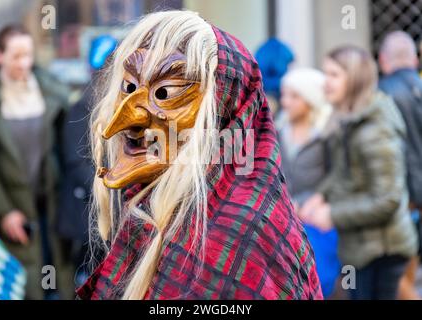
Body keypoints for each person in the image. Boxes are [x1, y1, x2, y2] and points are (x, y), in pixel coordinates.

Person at [76, 10, 322, 300]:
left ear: (221, 110)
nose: (124, 120)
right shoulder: (155, 205)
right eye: (129, 87)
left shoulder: (239, 234)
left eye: (165, 92)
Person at [300, 45, 418, 300]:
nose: (325, 83)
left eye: (334, 75)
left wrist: (333, 214)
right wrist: (321, 196)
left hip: (381, 249)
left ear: (354, 78)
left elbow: (388, 199)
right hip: (361, 245)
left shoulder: (374, 129)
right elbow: (344, 174)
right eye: (325, 73)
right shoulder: (349, 119)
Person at [0, 25, 72, 299]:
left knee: (54, 274)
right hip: (13, 207)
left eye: (28, 55)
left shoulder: (50, 93)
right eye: (16, 56)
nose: (24, 63)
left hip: (50, 203)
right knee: (23, 282)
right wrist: (3, 210)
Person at [57, 34, 118, 288]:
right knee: (90, 276)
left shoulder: (120, 103)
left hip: (110, 209)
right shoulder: (82, 107)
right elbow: (76, 161)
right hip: (89, 213)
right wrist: (110, 188)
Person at [278, 68, 340, 298]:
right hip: (286, 220)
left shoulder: (327, 134)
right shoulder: (278, 131)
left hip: (317, 221)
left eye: (294, 96)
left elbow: (339, 175)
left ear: (310, 98)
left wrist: (316, 200)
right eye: (284, 95)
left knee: (320, 280)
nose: (286, 102)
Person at [378, 31, 422, 300]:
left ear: (383, 60)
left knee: (398, 279)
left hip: (401, 201)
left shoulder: (381, 94)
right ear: (415, 59)